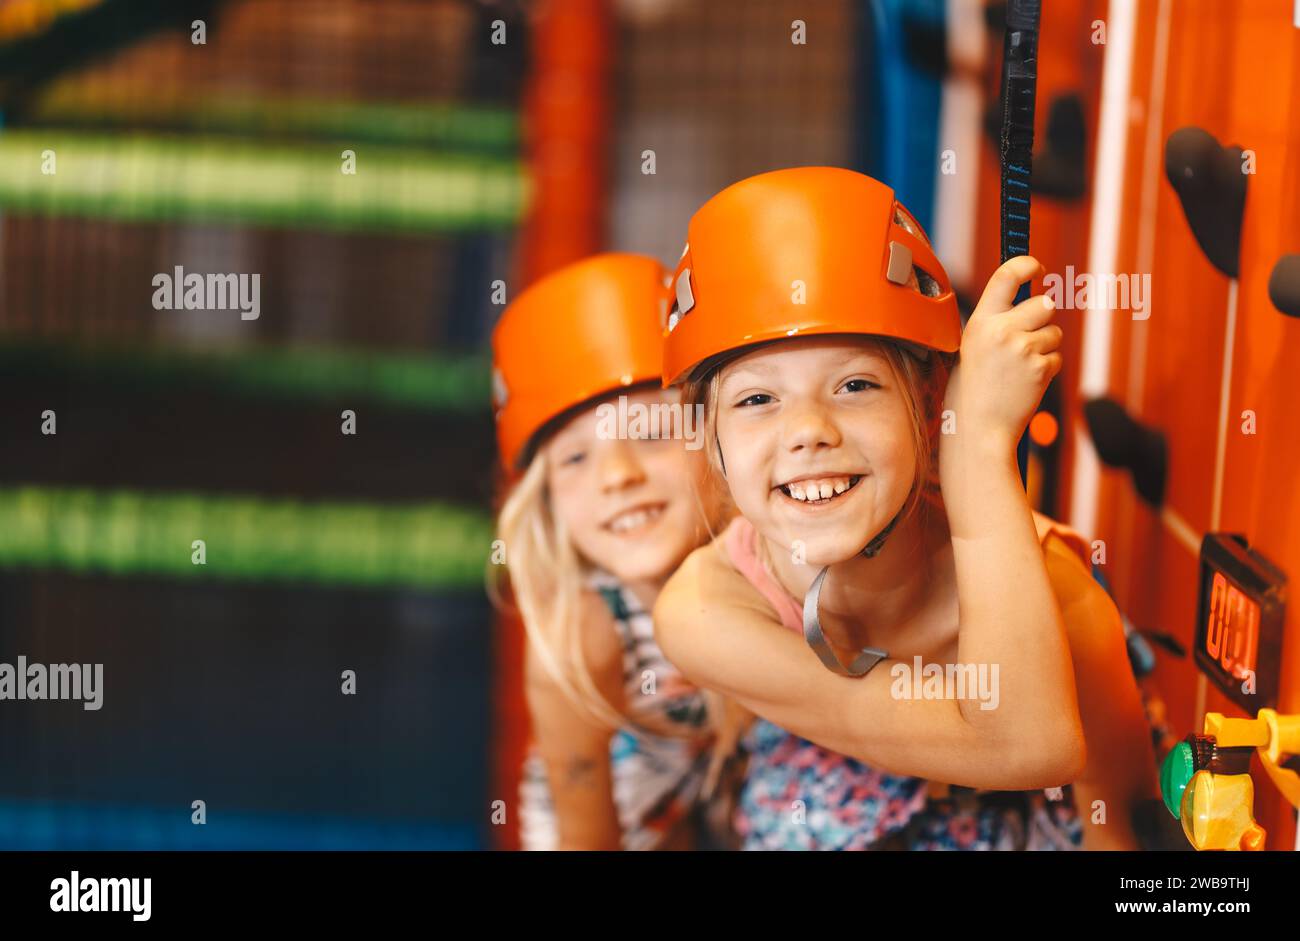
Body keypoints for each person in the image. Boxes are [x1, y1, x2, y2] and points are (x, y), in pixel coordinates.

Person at [653, 167, 1156, 849]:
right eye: (756, 399)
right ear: (710, 442)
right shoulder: (704, 608)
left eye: (855, 383)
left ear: (927, 406)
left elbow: (1046, 757)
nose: (808, 430)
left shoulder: (1058, 592)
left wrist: (978, 446)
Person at [491, 252, 731, 850]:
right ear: (545, 502)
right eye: (575, 458)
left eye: (650, 435)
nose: (616, 476)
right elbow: (585, 836)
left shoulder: (763, 576)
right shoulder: (586, 635)